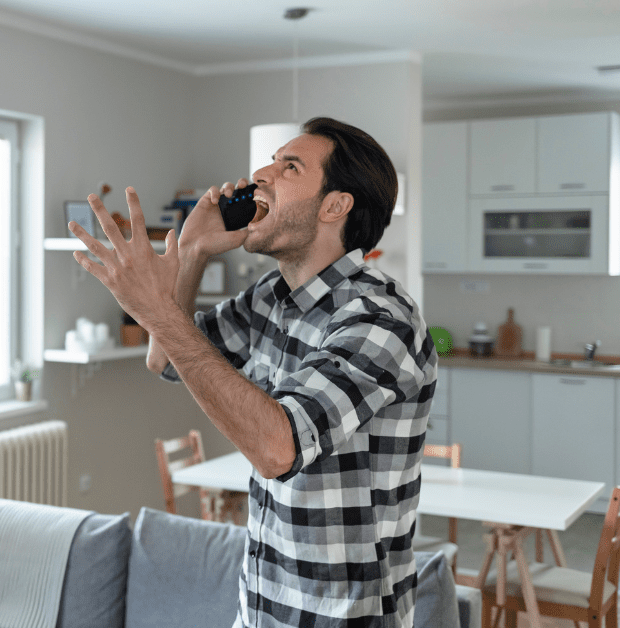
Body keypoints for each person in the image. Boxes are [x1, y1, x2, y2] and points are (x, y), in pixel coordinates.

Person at [67, 116, 437, 628]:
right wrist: (193, 251)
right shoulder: (271, 299)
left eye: (289, 167)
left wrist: (153, 306)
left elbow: (276, 448)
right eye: (271, 160)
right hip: (261, 611)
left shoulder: (379, 318)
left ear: (335, 205)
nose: (260, 173)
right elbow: (165, 357)